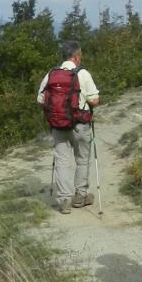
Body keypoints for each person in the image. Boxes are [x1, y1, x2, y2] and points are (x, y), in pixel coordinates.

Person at [36, 40, 101, 214]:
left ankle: (64, 200)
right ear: (76, 57)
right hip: (80, 124)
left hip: (58, 125)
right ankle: (80, 196)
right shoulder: (83, 74)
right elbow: (94, 100)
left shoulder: (51, 74)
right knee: (82, 159)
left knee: (62, 161)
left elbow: (40, 100)